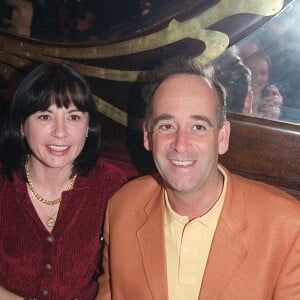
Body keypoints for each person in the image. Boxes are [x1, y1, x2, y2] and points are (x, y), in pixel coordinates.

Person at [97, 57, 300, 300]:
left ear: (222, 137)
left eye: (199, 127)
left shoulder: (287, 226)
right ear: (148, 137)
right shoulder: (123, 207)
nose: (181, 145)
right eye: (167, 126)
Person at [0, 62, 127, 299]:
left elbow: (121, 276)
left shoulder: (111, 186)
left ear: (88, 126)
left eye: (74, 117)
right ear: (21, 125)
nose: (60, 132)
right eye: (45, 116)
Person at [244, 51, 283, 120]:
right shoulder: (231, 101)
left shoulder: (272, 103)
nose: (257, 77)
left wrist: (274, 118)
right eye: (252, 71)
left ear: (268, 77)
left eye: (263, 73)